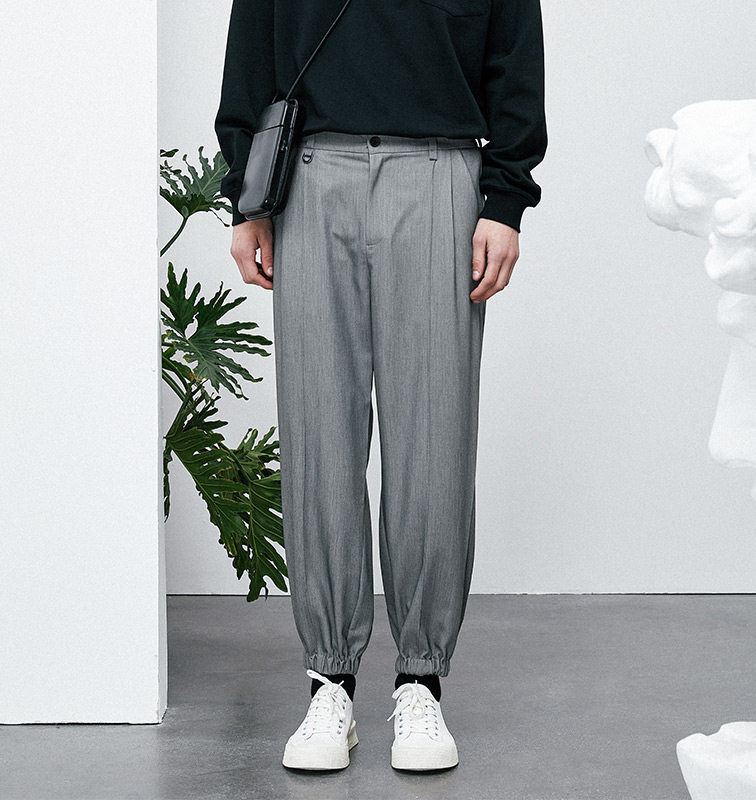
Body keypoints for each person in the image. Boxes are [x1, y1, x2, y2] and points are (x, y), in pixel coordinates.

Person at [214, 0, 547, 773]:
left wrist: (505, 200)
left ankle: (421, 680)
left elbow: (515, 55)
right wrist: (244, 197)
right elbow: (252, 51)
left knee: (435, 436)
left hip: (440, 170)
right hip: (308, 173)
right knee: (318, 435)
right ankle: (328, 679)